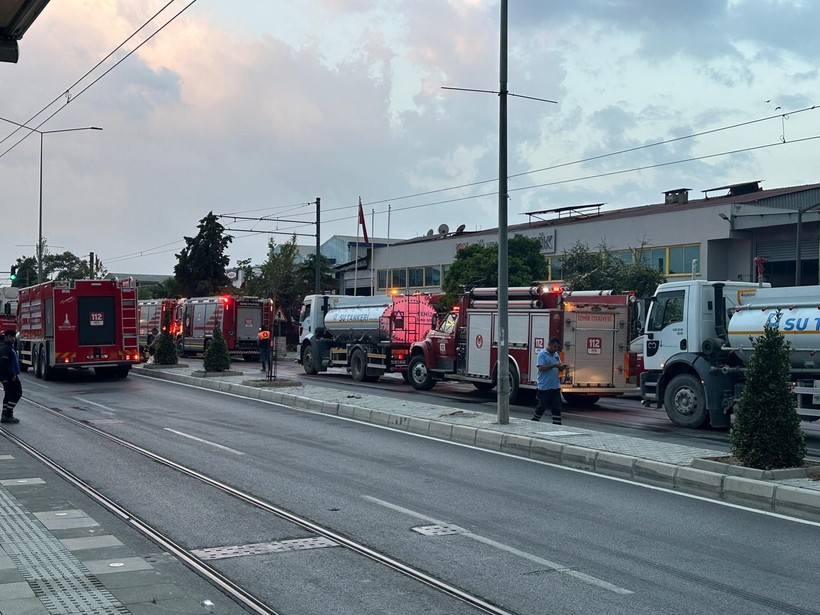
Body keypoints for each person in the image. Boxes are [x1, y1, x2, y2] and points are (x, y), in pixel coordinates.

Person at [532, 336, 565, 425]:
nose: (556, 349)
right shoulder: (542, 354)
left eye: (557, 347)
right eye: (554, 346)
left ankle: (557, 425)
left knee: (557, 406)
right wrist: (554, 365)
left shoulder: (556, 354)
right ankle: (534, 421)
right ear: (549, 345)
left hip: (555, 386)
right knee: (542, 406)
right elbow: (541, 368)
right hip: (544, 387)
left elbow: (559, 364)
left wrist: (561, 367)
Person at [0, 330, 22, 424]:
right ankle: (8, 414)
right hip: (7, 375)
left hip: (6, 375)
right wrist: (12, 374)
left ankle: (4, 414)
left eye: (13, 337)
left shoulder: (9, 347)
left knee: (8, 393)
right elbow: (4, 363)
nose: (13, 339)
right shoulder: (5, 348)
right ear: (6, 337)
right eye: (10, 337)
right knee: (17, 392)